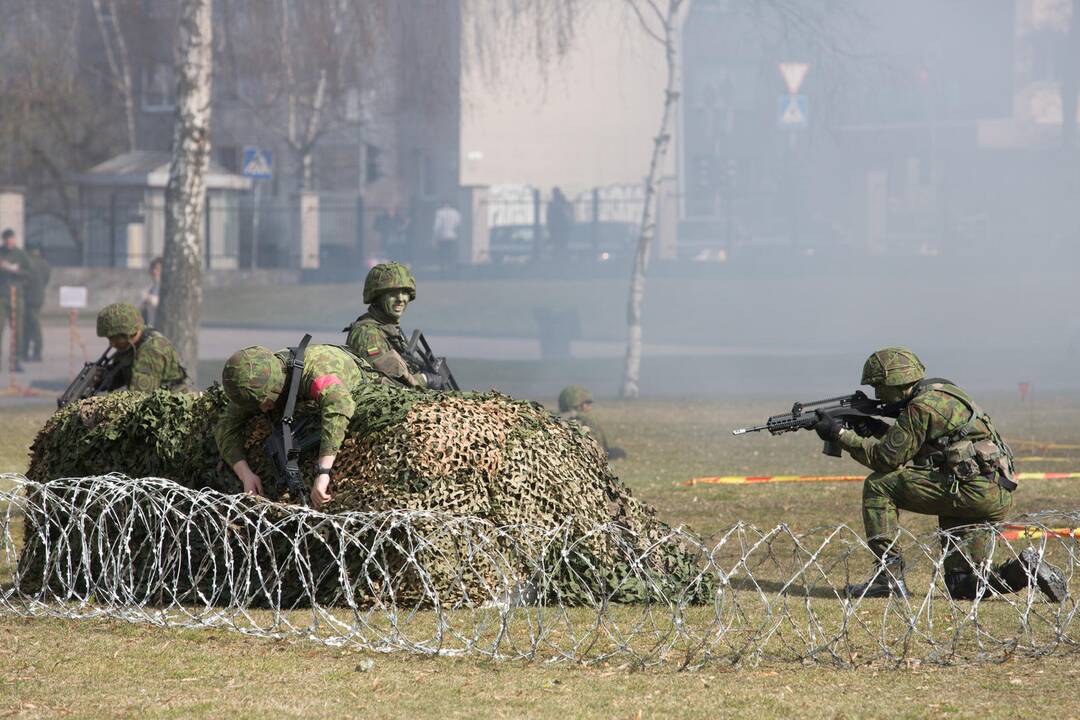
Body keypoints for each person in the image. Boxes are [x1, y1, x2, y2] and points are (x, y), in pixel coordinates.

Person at [812, 346, 1066, 602]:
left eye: (879, 386)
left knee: (879, 486)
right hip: (989, 491)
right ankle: (1024, 569)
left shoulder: (920, 407)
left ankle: (887, 578)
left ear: (895, 381)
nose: (877, 394)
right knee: (963, 587)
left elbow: (886, 459)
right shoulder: (942, 392)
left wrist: (839, 435)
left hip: (969, 490)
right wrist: (875, 427)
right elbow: (917, 444)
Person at [215, 343, 369, 508]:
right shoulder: (252, 383)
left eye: (265, 402)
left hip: (361, 379)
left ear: (276, 386)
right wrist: (246, 475)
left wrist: (323, 472)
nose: (262, 409)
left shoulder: (315, 371)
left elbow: (339, 405)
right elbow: (225, 427)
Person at [344, 262, 448, 389]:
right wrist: (424, 379)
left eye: (404, 292)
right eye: (393, 293)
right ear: (378, 297)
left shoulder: (389, 329)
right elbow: (388, 383)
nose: (400, 298)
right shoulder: (367, 333)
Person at [95, 302, 188, 392]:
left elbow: (139, 398)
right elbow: (122, 374)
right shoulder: (131, 347)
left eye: (115, 339)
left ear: (127, 334)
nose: (112, 344)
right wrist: (102, 378)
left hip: (172, 404)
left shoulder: (151, 350)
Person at [558, 385, 626, 460]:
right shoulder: (577, 421)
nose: (590, 407)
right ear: (579, 405)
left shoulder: (561, 418)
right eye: (587, 403)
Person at [0, 228, 30, 371]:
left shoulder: (21, 254)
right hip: (1, 296)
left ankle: (15, 360)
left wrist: (15, 270)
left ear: (14, 239)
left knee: (17, 329)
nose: (8, 242)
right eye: (6, 239)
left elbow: (29, 273)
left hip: (16, 295)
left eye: (10, 239)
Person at [20, 244, 50, 362]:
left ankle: (29, 353)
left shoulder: (28, 263)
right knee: (34, 325)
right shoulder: (44, 263)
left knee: (29, 326)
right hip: (38, 297)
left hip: (28, 298)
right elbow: (47, 279)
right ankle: (35, 352)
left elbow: (23, 279)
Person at [432, 200, 461, 271]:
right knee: (451, 253)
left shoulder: (440, 213)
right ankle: (451, 269)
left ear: (443, 204)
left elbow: (437, 226)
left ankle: (443, 269)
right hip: (453, 236)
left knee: (443, 254)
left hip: (443, 236)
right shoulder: (455, 213)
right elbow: (459, 225)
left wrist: (435, 237)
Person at [546, 187, 573, 260]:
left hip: (559, 228)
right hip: (560, 228)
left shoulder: (556, 204)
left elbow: (549, 217)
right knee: (560, 245)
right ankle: (560, 259)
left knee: (559, 245)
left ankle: (559, 259)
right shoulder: (559, 203)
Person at [140, 256, 163, 326]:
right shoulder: (150, 289)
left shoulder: (166, 287)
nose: (154, 271)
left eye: (157, 269)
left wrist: (150, 299)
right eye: (152, 268)